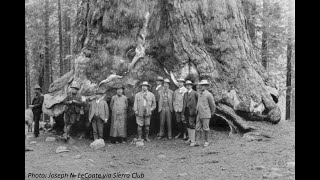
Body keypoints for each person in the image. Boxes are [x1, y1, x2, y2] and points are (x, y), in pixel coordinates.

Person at [195, 80, 216, 147]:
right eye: (200, 85)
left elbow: (213, 105)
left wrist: (211, 113)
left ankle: (206, 141)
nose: (201, 86)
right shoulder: (199, 93)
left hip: (206, 114)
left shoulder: (209, 94)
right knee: (197, 128)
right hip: (199, 114)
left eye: (203, 85)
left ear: (206, 86)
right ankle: (197, 141)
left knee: (206, 128)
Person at [181, 80, 198, 146]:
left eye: (189, 85)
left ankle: (193, 141)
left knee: (191, 125)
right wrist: (183, 112)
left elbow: (198, 102)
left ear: (191, 86)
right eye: (187, 85)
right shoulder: (185, 94)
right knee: (187, 124)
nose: (188, 86)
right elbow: (184, 103)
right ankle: (190, 139)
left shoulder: (195, 93)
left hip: (192, 112)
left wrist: (196, 110)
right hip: (186, 111)